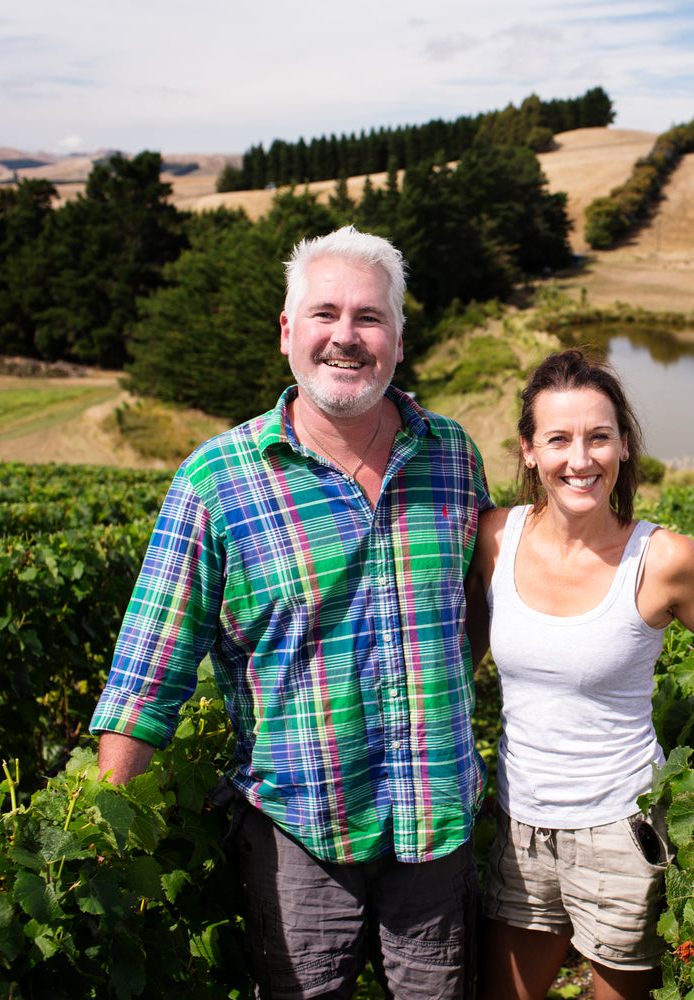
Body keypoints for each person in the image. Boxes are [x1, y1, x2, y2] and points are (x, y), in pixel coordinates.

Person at [91, 227, 492, 1000]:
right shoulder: (217, 482)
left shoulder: (453, 455)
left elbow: (472, 612)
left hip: (436, 831)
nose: (347, 336)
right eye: (325, 313)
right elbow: (149, 676)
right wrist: (100, 834)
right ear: (287, 333)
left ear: (400, 341)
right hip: (298, 837)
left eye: (370, 318)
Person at [465, 349, 694, 1000]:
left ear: (624, 447)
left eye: (598, 437)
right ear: (528, 451)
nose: (580, 460)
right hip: (519, 831)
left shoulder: (662, 560)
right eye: (559, 439)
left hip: (620, 835)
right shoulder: (495, 540)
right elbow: (458, 659)